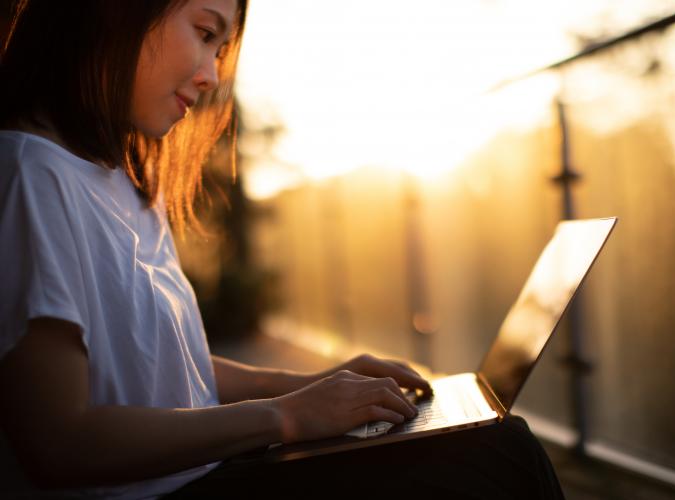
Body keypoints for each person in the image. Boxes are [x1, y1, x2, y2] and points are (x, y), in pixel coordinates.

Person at [0, 1, 566, 498]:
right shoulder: (30, 174)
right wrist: (288, 417)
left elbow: (163, 364)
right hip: (157, 492)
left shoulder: (123, 180)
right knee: (497, 455)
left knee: (487, 437)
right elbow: (60, 443)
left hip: (205, 472)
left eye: (222, 48)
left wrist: (310, 386)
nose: (211, 75)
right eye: (204, 33)